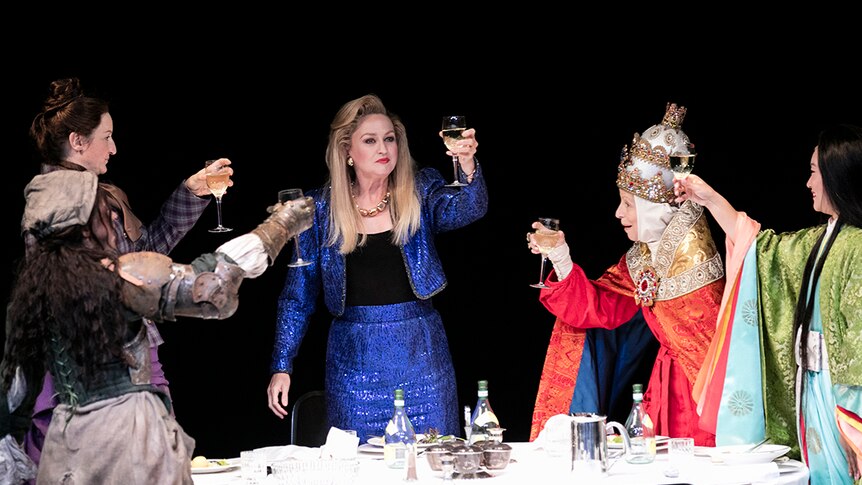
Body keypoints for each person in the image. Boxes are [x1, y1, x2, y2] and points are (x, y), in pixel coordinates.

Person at [0, 169, 313, 484]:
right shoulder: (120, 278)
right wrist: (279, 226)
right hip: (126, 439)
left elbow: (15, 399)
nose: (112, 215)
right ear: (84, 227)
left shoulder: (31, 297)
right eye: (102, 210)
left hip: (67, 442)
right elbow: (213, 286)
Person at [20, 77, 233, 469]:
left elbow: (143, 257)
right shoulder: (57, 200)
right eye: (107, 136)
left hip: (133, 351)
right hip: (96, 363)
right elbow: (90, 288)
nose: (114, 148)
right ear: (78, 141)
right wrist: (184, 288)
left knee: (154, 459)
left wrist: (191, 191)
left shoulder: (99, 195)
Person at [266, 94, 488, 442]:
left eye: (389, 138)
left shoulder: (420, 189)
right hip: (354, 363)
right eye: (370, 140)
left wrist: (467, 163)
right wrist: (282, 363)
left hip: (422, 358)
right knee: (358, 466)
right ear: (347, 152)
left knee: (432, 462)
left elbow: (469, 208)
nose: (383, 147)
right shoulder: (320, 209)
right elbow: (298, 294)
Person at [527, 103, 725, 446]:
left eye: (628, 203)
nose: (619, 213)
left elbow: (709, 357)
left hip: (699, 402)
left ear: (654, 207)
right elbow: (600, 308)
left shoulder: (692, 257)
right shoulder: (646, 253)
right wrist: (561, 257)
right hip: (662, 395)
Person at [676, 124, 862, 483]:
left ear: (838, 177)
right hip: (810, 386)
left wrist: (853, 422)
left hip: (840, 398)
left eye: (814, 172)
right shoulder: (818, 240)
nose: (808, 183)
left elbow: (858, 340)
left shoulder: (857, 247)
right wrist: (709, 197)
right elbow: (757, 249)